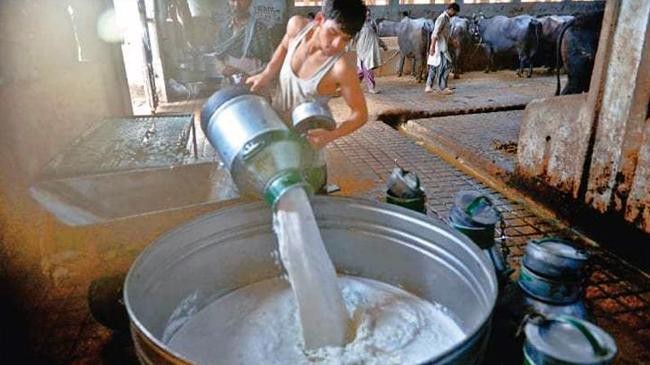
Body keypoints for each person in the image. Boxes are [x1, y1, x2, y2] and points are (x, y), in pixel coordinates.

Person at [246, 0, 369, 191]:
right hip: (276, 141)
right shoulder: (297, 27)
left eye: (345, 39)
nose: (337, 44)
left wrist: (331, 135)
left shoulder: (340, 68)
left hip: (308, 158)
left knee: (312, 211)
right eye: (333, 33)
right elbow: (284, 46)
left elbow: (360, 114)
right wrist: (266, 74)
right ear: (320, 19)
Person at [211, 0, 275, 77]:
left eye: (241, 0)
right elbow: (218, 56)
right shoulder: (224, 29)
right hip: (230, 83)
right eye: (233, 0)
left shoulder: (260, 29)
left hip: (255, 82)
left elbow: (271, 62)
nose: (236, 4)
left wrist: (250, 75)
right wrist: (223, 69)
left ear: (249, 2)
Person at [425, 3, 460, 95]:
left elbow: (445, 34)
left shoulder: (447, 19)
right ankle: (442, 87)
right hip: (440, 47)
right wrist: (432, 47)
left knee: (434, 66)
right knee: (447, 65)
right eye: (454, 12)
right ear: (451, 9)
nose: (455, 14)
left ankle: (428, 86)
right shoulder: (442, 18)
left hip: (441, 45)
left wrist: (453, 41)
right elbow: (435, 33)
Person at [355, 8, 387, 94]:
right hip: (363, 51)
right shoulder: (358, 26)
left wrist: (383, 45)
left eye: (369, 15)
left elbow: (375, 37)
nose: (368, 16)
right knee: (367, 70)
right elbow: (353, 37)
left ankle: (353, 86)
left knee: (361, 71)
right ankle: (371, 88)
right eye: (366, 15)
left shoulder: (370, 24)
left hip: (369, 51)